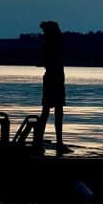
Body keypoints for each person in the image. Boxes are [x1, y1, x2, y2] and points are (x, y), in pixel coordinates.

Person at [35, 20, 71, 155]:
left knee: (49, 111)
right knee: (54, 111)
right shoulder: (51, 44)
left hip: (54, 78)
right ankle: (55, 142)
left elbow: (40, 61)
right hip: (54, 78)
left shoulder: (50, 44)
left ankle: (41, 141)